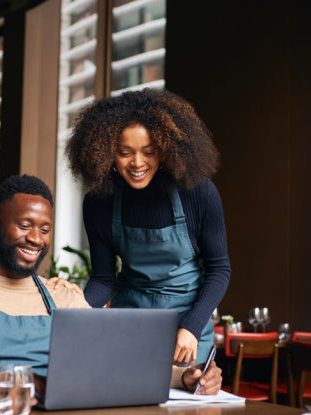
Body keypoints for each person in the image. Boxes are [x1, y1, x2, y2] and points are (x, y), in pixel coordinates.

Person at [0, 174, 221, 396]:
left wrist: (185, 378)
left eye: (45, 229)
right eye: (24, 226)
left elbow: (115, 364)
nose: (36, 238)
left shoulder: (62, 296)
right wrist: (12, 383)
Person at [65, 88, 231, 368]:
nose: (137, 163)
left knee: (186, 406)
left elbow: (219, 269)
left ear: (166, 150)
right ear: (106, 153)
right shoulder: (99, 202)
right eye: (124, 153)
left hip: (188, 322)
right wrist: (73, 307)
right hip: (130, 320)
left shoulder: (198, 192)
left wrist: (191, 327)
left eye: (149, 152)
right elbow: (104, 280)